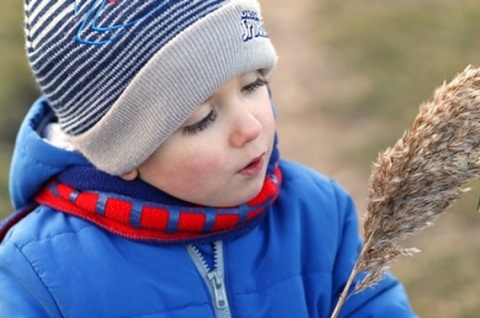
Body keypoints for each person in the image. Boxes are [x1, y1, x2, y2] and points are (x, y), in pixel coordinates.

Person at [0, 0, 417, 316]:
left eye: (253, 84)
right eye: (200, 119)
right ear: (119, 153)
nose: (250, 127)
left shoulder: (317, 213)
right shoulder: (39, 275)